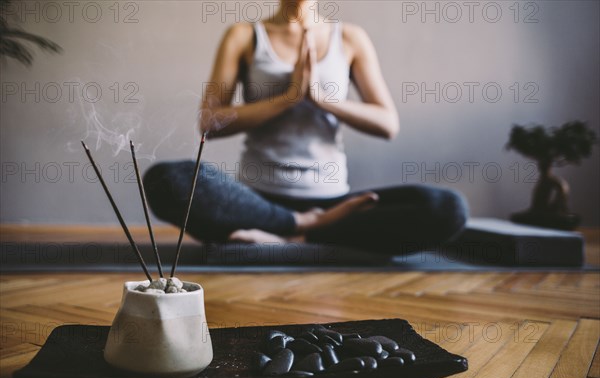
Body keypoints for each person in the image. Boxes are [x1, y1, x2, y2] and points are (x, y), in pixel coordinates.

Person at [144, 0, 468, 254]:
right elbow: (209, 123)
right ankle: (300, 225)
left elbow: (388, 124)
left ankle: (298, 235)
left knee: (447, 208)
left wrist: (322, 99)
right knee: (167, 180)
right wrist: (287, 98)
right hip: (255, 202)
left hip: (334, 204)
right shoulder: (243, 35)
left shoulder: (350, 38)